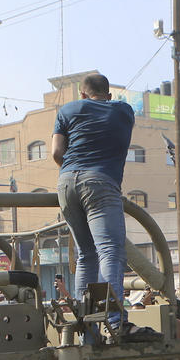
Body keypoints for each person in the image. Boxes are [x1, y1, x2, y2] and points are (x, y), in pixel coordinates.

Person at [52, 72, 136, 329]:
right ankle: (114, 319)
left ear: (82, 94)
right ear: (108, 96)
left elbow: (57, 152)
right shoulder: (123, 111)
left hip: (66, 183)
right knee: (109, 249)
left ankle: (84, 323)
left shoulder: (67, 110)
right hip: (100, 182)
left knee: (87, 254)